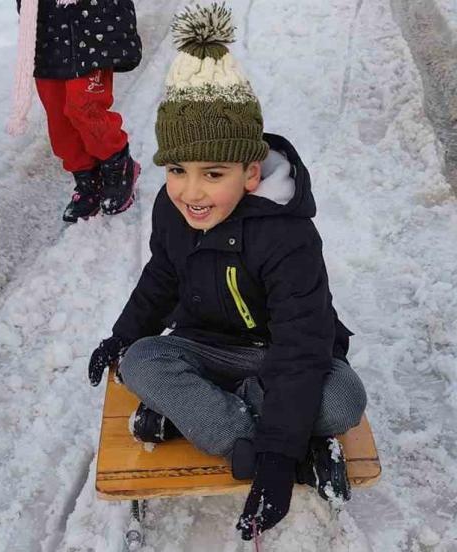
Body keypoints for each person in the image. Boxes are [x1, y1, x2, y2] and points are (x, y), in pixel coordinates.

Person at [87, 3, 367, 541]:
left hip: (277, 355)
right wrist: (122, 336)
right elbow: (162, 276)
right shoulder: (173, 209)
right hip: (206, 347)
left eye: (213, 174)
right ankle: (260, 430)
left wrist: (276, 463)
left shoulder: (288, 236)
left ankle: (207, 421)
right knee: (141, 361)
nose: (191, 192)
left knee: (342, 400)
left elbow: (303, 347)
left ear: (250, 172)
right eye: (177, 170)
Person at [12, 0, 142, 222]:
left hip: (93, 25)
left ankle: (118, 165)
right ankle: (87, 180)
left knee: (84, 106)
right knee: (58, 119)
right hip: (47, 28)